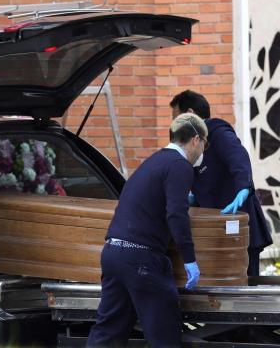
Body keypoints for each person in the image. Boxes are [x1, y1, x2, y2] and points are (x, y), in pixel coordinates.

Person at [87, 113, 207, 348]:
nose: (203, 151)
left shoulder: (153, 161)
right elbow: (176, 214)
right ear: (196, 140)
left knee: (108, 333)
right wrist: (190, 259)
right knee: (164, 336)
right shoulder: (180, 166)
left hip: (113, 253)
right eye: (205, 144)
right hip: (142, 259)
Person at [170, 90, 273, 276]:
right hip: (218, 232)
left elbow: (239, 157)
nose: (174, 127)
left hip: (242, 228)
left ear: (191, 114)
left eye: (176, 119)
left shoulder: (217, 132)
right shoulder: (190, 146)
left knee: (247, 289)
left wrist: (243, 188)